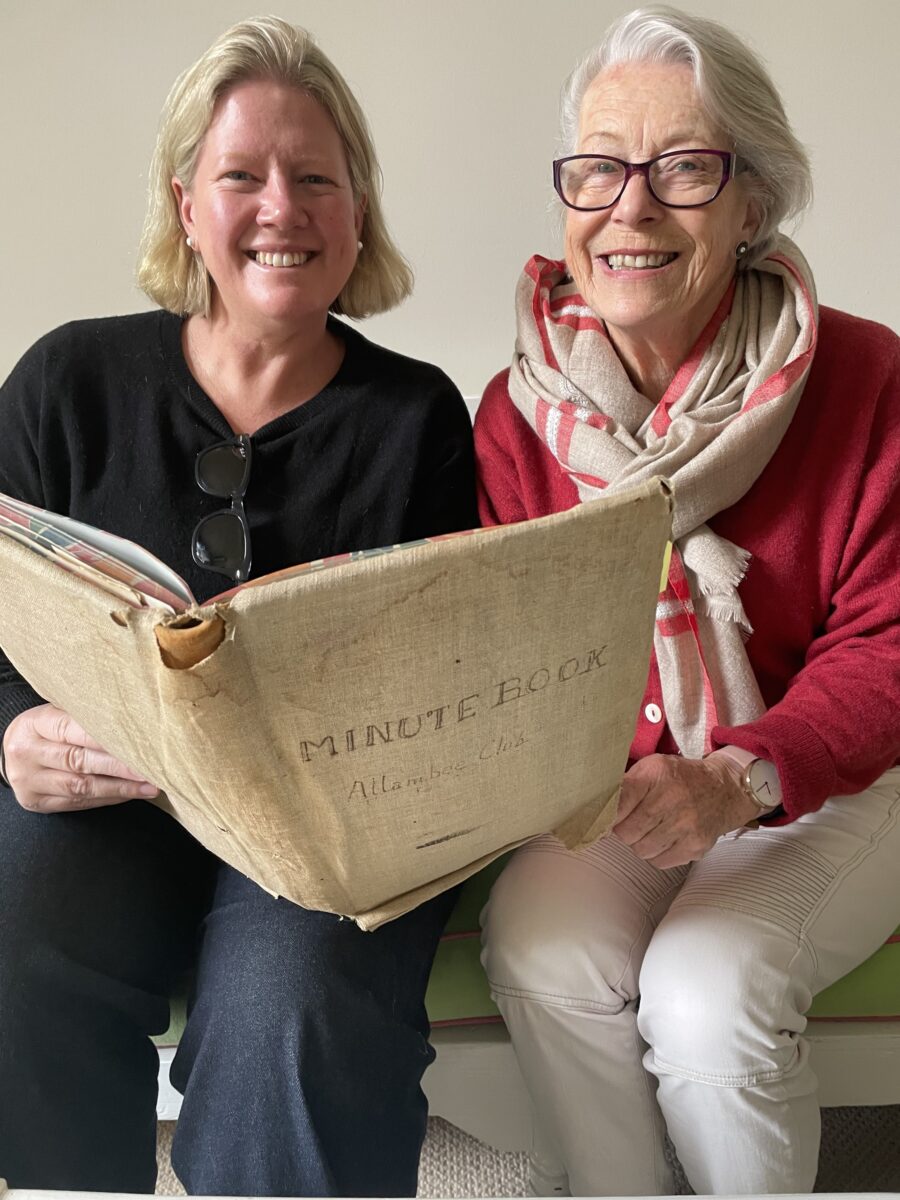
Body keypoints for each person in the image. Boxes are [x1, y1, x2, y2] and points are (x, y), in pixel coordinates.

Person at [0, 16, 476, 1196]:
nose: (283, 207)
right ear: (184, 207)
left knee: (294, 1008)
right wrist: (12, 729)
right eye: (242, 176)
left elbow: (446, 681)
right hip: (105, 812)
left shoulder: (417, 418)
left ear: (358, 212)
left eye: (318, 177)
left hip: (318, 836)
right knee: (8, 915)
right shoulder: (69, 381)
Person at [475, 5, 900, 1195]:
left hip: (831, 775)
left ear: (753, 203)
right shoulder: (521, 411)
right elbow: (514, 651)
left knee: (707, 992)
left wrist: (740, 776)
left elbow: (889, 644)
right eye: (600, 167)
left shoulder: (866, 377)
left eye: (685, 169)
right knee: (541, 943)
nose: (632, 206)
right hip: (633, 781)